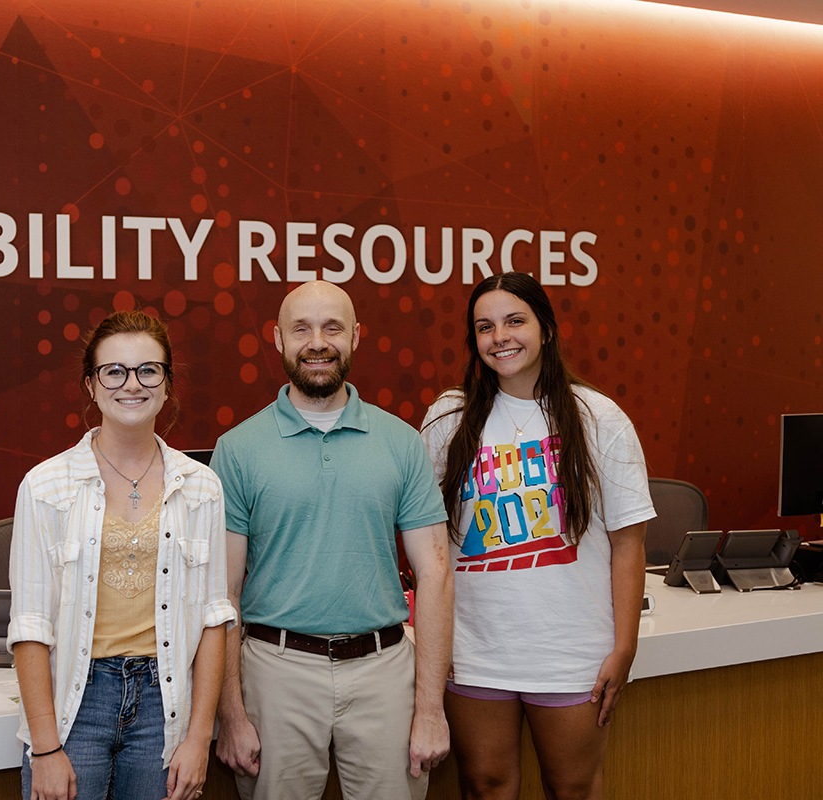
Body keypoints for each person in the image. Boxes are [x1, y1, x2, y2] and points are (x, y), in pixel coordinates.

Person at [211, 280, 453, 800]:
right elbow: (223, 593)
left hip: (384, 671)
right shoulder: (236, 450)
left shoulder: (403, 443)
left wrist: (430, 710)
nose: (316, 342)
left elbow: (435, 575)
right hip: (276, 673)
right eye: (301, 328)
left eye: (332, 328)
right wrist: (229, 713)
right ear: (277, 339)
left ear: (356, 337)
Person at [419, 272, 654, 800]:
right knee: (485, 785)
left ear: (545, 328)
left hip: (571, 653)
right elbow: (426, 541)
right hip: (474, 648)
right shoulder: (447, 419)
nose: (500, 336)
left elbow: (628, 544)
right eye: (485, 326)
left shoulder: (600, 419)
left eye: (514, 321)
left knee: (572, 788)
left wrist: (625, 647)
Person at [6, 310, 235, 800]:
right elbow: (29, 625)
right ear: (91, 385)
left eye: (148, 370)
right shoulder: (46, 486)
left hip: (163, 700)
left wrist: (199, 737)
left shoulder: (201, 487)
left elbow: (215, 619)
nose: (131, 384)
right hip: (76, 699)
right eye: (114, 371)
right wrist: (45, 749)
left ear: (168, 384)